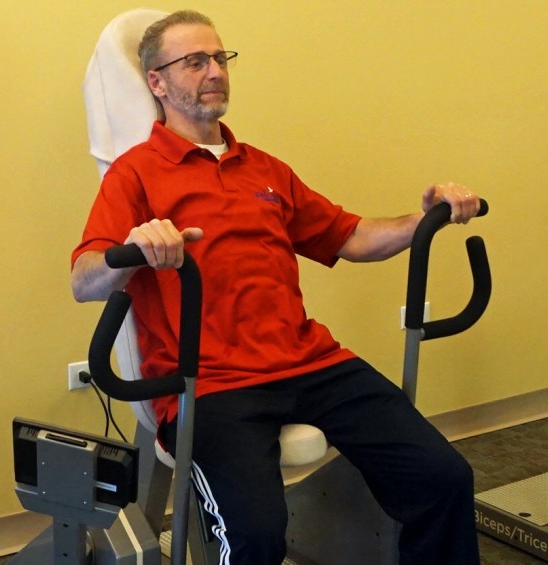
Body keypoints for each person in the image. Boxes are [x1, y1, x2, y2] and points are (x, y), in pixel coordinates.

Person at [71, 9, 482, 565]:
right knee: (255, 538)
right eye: (195, 61)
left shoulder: (263, 168)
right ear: (157, 83)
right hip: (212, 386)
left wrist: (427, 217)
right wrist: (135, 250)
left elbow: (351, 236)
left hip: (310, 361)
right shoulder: (135, 174)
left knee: (444, 477)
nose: (214, 70)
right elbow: (84, 279)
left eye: (220, 58)